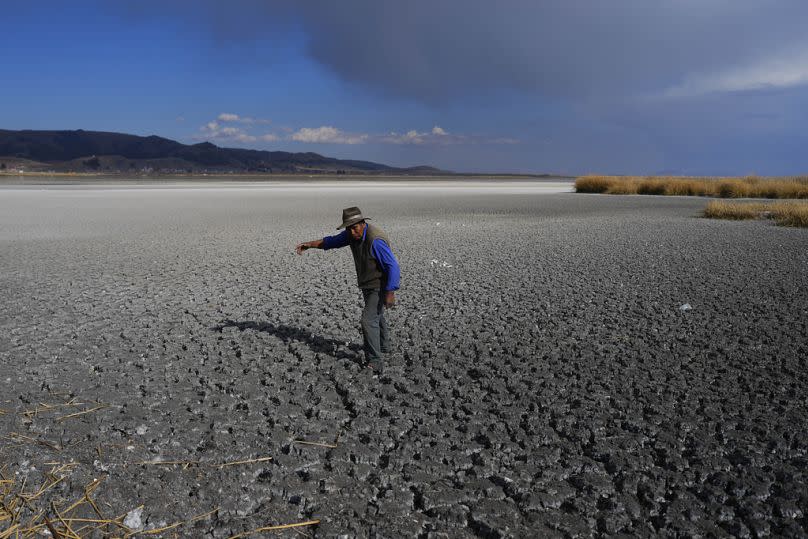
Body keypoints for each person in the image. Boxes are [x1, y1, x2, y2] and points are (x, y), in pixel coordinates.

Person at [295, 207, 400, 374]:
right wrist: (309, 244)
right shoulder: (352, 235)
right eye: (349, 228)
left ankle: (375, 360)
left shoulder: (375, 240)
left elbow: (392, 266)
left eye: (355, 227)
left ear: (363, 223)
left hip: (380, 285)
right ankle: (384, 346)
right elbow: (330, 242)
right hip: (368, 283)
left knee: (368, 320)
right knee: (376, 315)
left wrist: (390, 292)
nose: (352, 231)